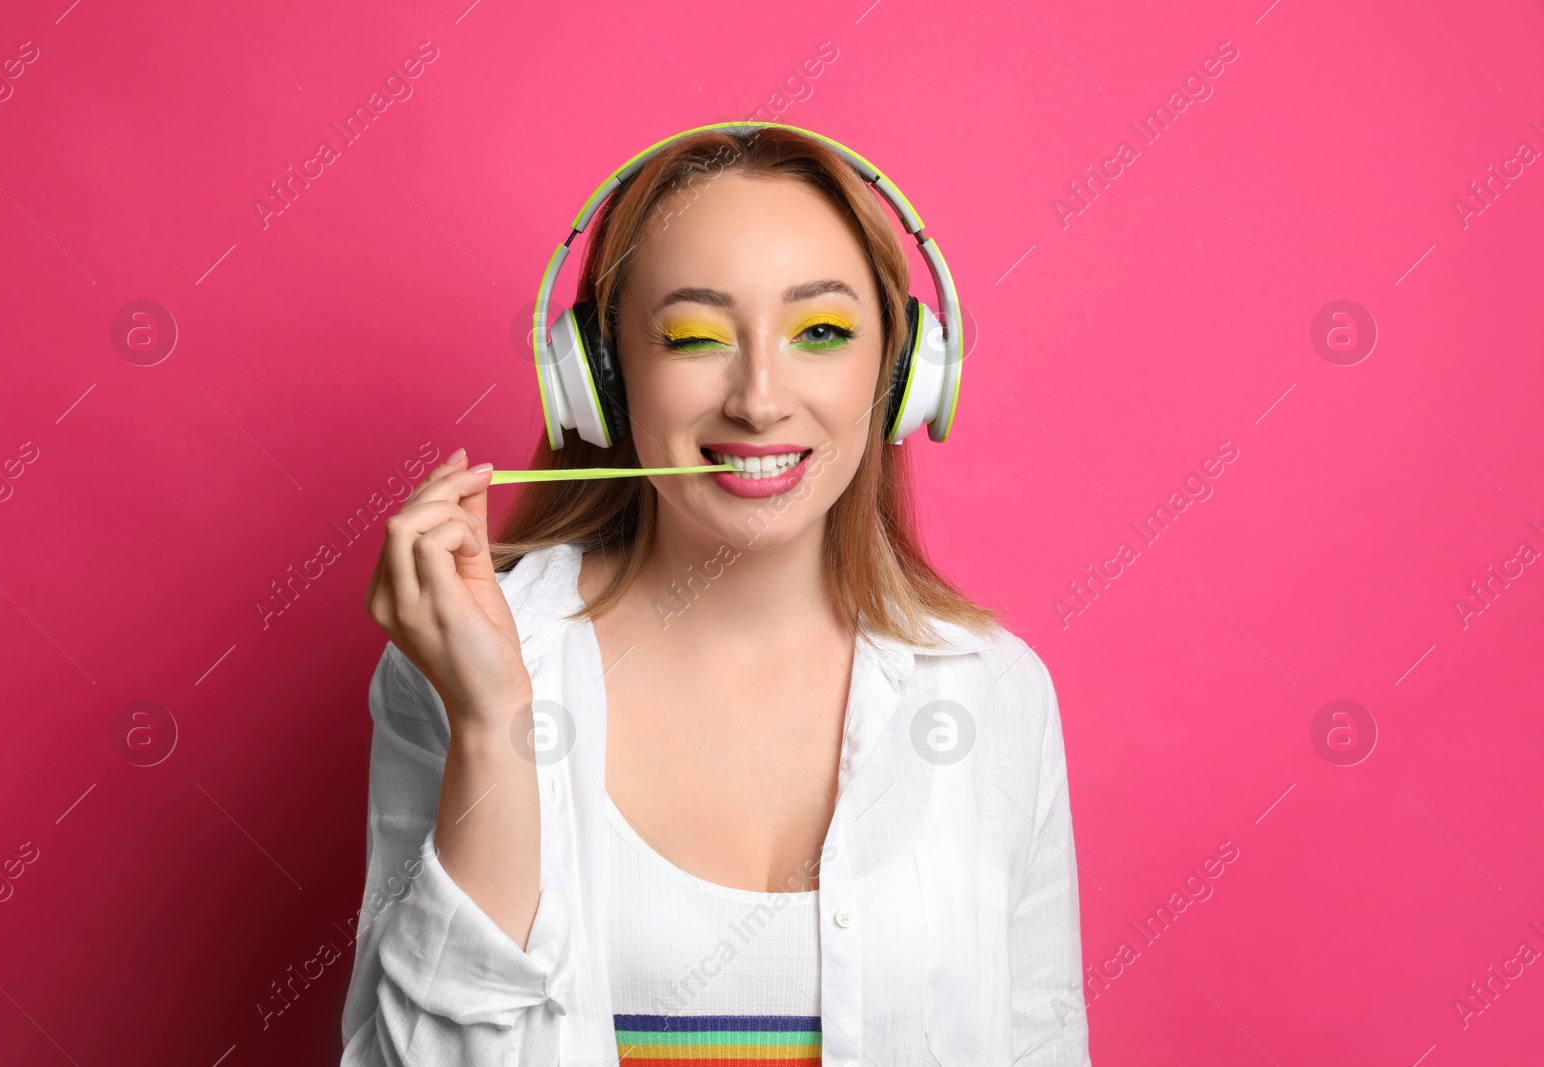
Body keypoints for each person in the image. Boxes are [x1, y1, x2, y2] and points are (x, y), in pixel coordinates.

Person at [341, 123, 1090, 1066]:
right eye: (695, 336)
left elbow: (1041, 1044)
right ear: (600, 381)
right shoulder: (465, 663)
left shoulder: (990, 691)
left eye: (821, 332)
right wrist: (491, 720)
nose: (760, 398)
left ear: (902, 375)